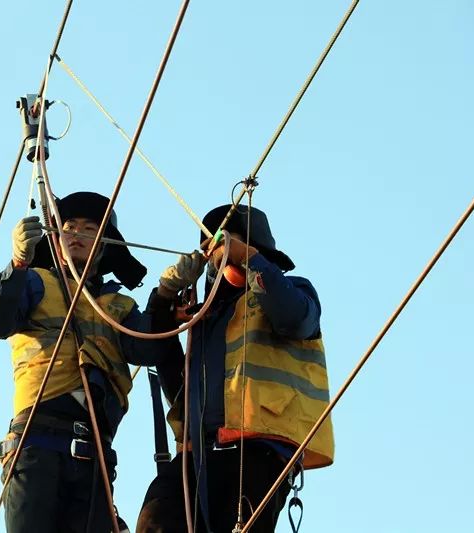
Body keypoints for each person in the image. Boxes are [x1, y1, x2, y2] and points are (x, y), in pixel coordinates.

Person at [0, 191, 180, 533]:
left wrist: (166, 295)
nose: (77, 234)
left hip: (95, 454)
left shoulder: (118, 306)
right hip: (37, 442)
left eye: (89, 228)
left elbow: (149, 348)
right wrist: (17, 264)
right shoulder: (35, 283)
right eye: (69, 226)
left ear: (102, 245)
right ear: (56, 239)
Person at [136, 204, 335, 533]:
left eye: (230, 242)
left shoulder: (293, 290)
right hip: (198, 454)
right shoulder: (203, 318)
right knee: (156, 520)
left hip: (260, 451)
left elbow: (296, 319)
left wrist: (252, 260)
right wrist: (163, 299)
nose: (221, 250)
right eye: (214, 246)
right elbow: (178, 386)